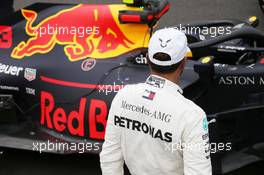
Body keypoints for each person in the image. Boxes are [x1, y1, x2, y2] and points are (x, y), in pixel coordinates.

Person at [100, 28, 212, 175]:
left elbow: (110, 157)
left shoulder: (123, 96)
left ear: (147, 59)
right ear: (184, 63)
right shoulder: (192, 115)